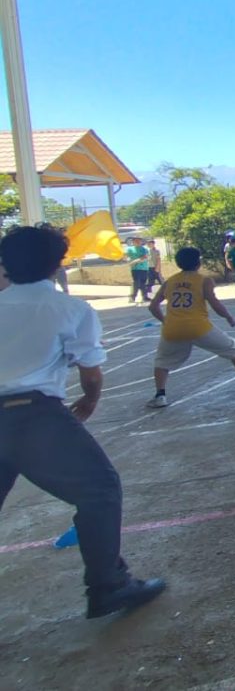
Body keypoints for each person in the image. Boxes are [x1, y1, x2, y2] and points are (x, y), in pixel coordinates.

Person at [0, 225, 167, 620]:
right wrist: (90, 401)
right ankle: (109, 585)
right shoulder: (71, 310)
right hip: (34, 415)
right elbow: (90, 371)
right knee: (100, 490)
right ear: (57, 264)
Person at [145, 246, 235, 409]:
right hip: (198, 326)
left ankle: (160, 395)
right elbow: (214, 303)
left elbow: (153, 306)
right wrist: (228, 316)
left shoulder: (170, 281)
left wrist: (166, 321)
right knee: (232, 349)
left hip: (172, 329)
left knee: (162, 361)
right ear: (198, 263)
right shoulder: (204, 280)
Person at [125, 236, 151, 304]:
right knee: (136, 283)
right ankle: (132, 297)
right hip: (135, 269)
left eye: (139, 240)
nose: (138, 242)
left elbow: (144, 257)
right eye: (136, 240)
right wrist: (128, 260)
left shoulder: (144, 249)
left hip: (144, 268)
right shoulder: (130, 249)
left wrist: (134, 261)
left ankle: (144, 296)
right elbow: (126, 257)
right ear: (133, 242)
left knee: (143, 283)